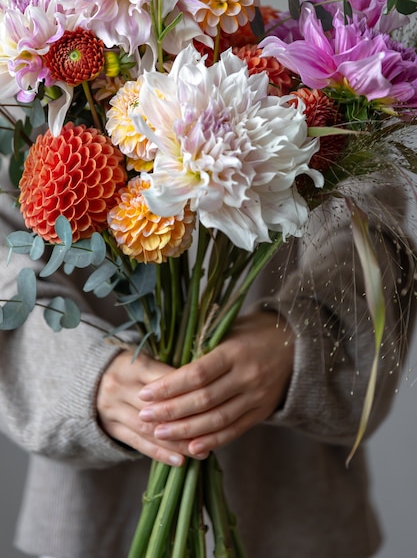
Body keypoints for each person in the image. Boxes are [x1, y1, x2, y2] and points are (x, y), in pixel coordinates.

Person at [0, 154, 416, 558]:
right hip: (94, 517)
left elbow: (371, 224)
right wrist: (81, 375)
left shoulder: (342, 85)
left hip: (293, 502)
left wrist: (298, 336)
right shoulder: (24, 85)